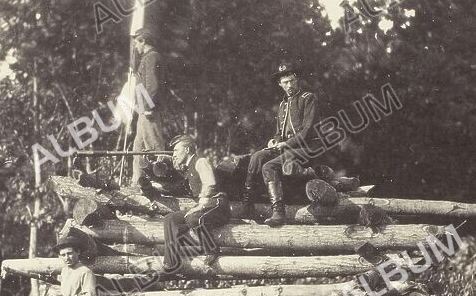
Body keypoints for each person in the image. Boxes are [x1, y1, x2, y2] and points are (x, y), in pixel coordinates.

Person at [240, 63, 332, 226]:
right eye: (285, 82)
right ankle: (247, 204)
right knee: (257, 156)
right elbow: (279, 132)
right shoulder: (282, 105)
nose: (289, 85)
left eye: (291, 81)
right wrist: (274, 141)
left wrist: (285, 144)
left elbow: (308, 130)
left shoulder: (307, 98)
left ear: (297, 80)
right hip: (287, 147)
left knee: (269, 166)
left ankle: (278, 211)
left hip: (307, 148)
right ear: (280, 84)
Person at [162, 134, 232, 273]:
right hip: (205, 208)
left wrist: (200, 205)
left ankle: (212, 250)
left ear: (187, 150)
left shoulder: (200, 162)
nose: (174, 154)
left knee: (193, 217)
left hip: (217, 205)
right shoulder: (188, 169)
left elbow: (210, 183)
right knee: (170, 219)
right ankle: (171, 263)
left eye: (176, 150)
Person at [130, 26, 166, 185]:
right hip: (142, 110)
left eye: (136, 43)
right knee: (139, 147)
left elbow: (152, 85)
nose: (135, 47)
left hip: (148, 111)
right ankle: (137, 182)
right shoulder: (146, 58)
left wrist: (149, 108)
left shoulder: (151, 57)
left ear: (143, 41)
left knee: (154, 145)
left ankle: (162, 180)